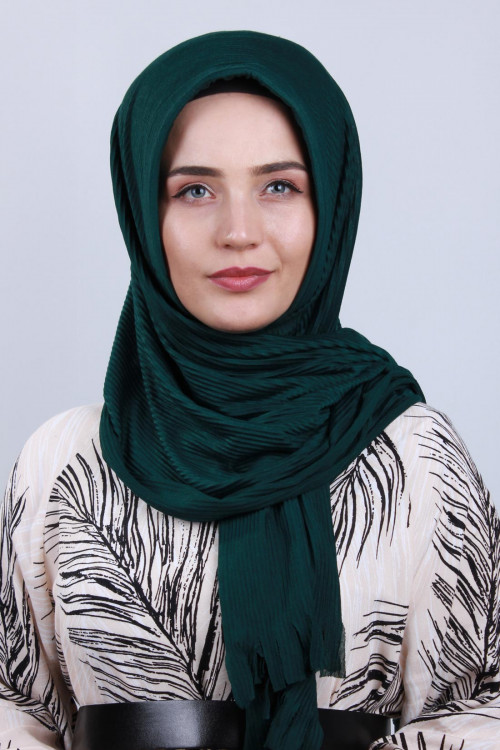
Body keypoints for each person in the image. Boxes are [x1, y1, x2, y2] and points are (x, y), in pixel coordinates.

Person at [0, 30, 498, 750]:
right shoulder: (63, 461)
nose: (239, 231)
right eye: (194, 190)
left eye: (279, 186)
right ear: (143, 213)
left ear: (331, 204)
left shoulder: (413, 456)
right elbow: (13, 707)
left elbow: (482, 708)